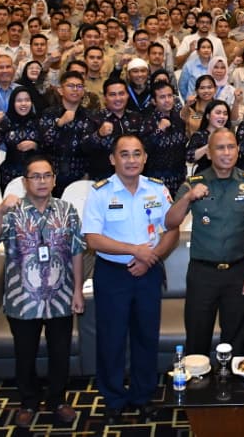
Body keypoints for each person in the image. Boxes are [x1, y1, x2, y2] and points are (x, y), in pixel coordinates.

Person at [0, 153, 86, 428]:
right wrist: (0, 209)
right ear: (24, 181)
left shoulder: (68, 210)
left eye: (47, 176)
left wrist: (77, 290)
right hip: (23, 298)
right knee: (25, 354)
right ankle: (28, 401)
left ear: (54, 179)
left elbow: (77, 252)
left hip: (61, 295)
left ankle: (58, 400)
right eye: (35, 176)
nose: (41, 181)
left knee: (60, 353)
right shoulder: (13, 209)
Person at [83, 135, 179, 424]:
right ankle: (113, 399)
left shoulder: (158, 190)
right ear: (113, 159)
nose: (131, 160)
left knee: (145, 337)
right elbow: (93, 239)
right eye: (124, 154)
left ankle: (142, 395)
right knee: (111, 340)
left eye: (137, 154)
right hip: (113, 275)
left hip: (149, 272)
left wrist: (151, 257)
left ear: (145, 158)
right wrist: (134, 251)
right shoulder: (100, 192)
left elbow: (171, 229)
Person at [165, 128, 244, 353]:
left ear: (238, 151)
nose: (227, 153)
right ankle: (197, 386)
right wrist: (189, 197)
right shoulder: (193, 183)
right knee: (197, 338)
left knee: (235, 340)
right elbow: (171, 221)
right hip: (203, 273)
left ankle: (230, 385)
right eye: (220, 148)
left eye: (231, 147)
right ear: (209, 153)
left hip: (238, 272)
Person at [0, 86, 40, 193]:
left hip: (34, 176)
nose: (23, 104)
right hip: (9, 175)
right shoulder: (6, 122)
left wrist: (35, 145)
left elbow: (49, 148)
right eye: (19, 100)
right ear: (12, 103)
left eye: (27, 100)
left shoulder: (38, 122)